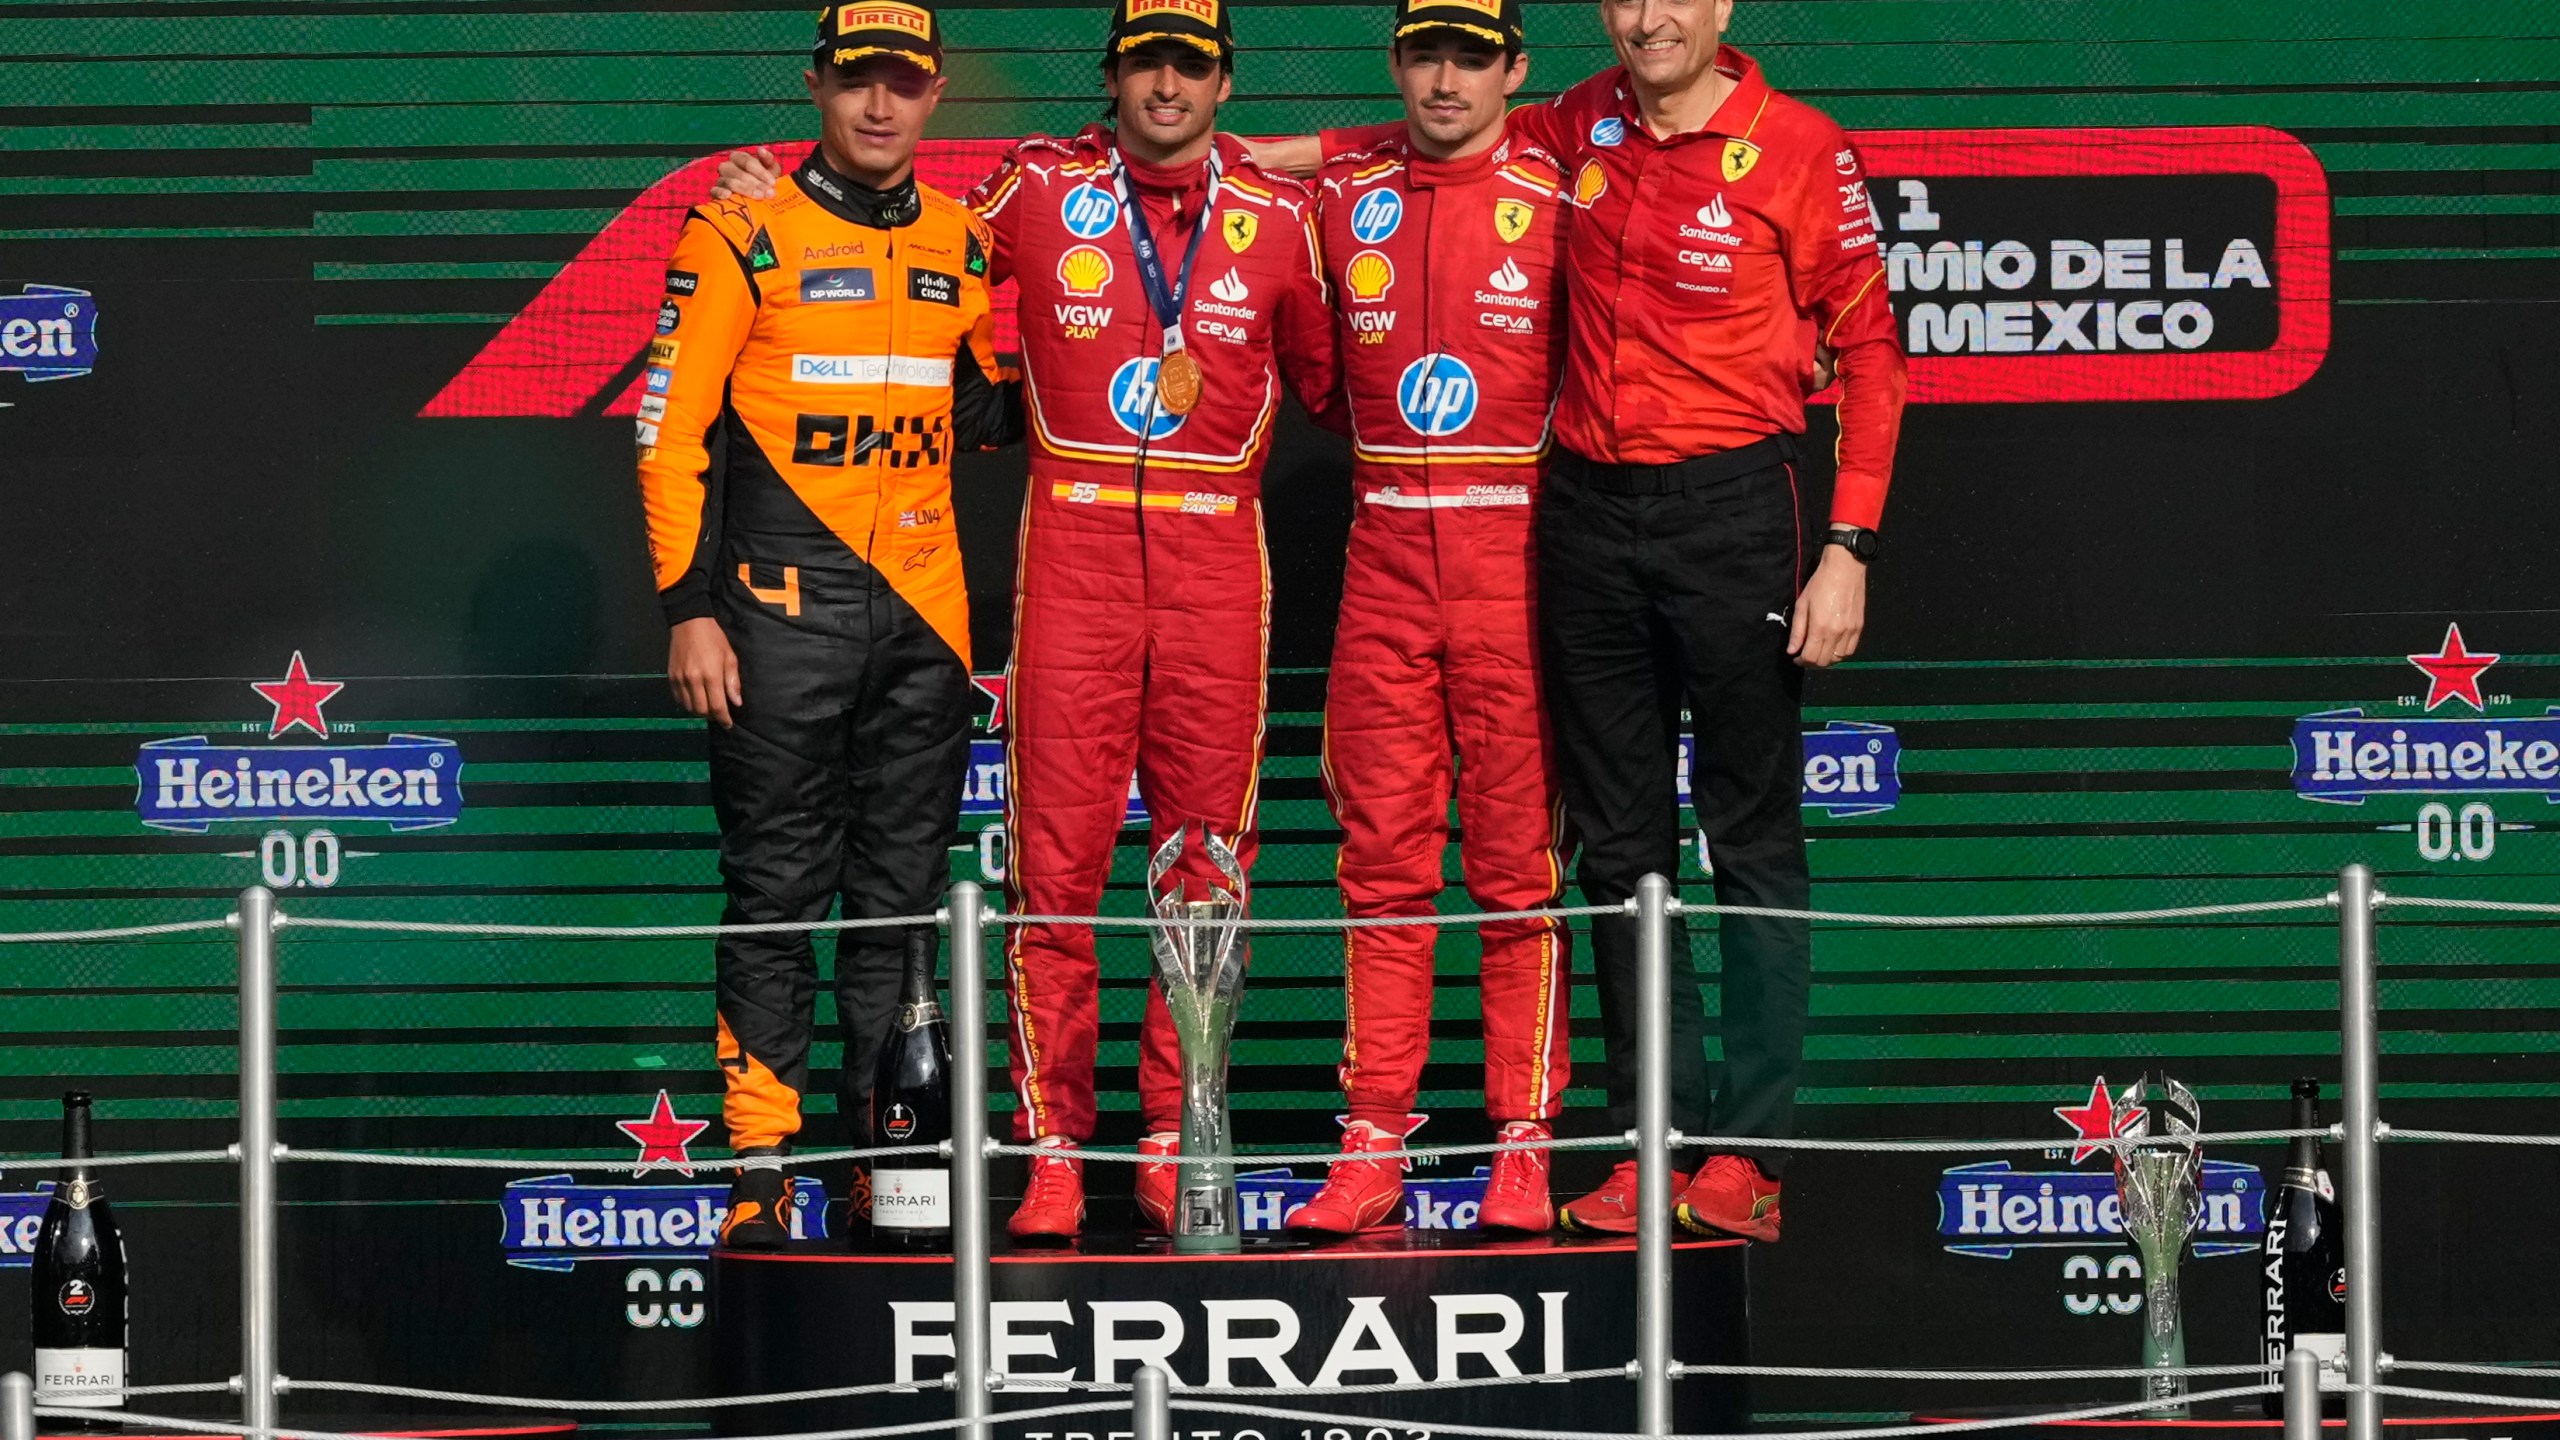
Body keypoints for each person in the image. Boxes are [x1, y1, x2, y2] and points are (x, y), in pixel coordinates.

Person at [1264, 0, 1908, 1241]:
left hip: (1735, 505)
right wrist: (1237, 156)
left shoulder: (1799, 145)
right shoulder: (1576, 121)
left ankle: (1751, 1159)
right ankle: (1650, 1143)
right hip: (1582, 513)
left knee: (1751, 840)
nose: (1648, 17)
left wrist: (1849, 544)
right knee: (1617, 848)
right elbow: (1409, 135)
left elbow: (1871, 350)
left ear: (1721, 6)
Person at [723, 0, 1338, 1242]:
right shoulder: (1035, 190)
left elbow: (1335, 380)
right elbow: (902, 237)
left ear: (1224, 83)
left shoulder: (1285, 220)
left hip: (1221, 562)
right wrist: (770, 189)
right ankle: (1053, 1148)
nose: (1167, 85)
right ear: (1111, 76)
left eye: (1191, 65)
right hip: (1073, 559)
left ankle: (1180, 1138)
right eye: (1147, 62)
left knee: (1205, 872)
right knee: (1052, 871)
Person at [639, 0, 1019, 1249]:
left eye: (903, 84)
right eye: (856, 81)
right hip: (774, 619)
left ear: (934, 94)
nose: (878, 105)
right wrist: (688, 609)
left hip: (927, 626)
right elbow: (668, 432)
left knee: (901, 899)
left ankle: (886, 1158)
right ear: (816, 85)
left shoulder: (967, 243)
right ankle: (760, 1163)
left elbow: (994, 409)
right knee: (774, 894)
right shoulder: (740, 227)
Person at [1277, 0, 1575, 1238]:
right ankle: (1371, 1145)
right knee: (1383, 866)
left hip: (1520, 547)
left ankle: (1526, 1144)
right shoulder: (1340, 194)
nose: (1444, 78)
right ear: (1396, 63)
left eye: (1469, 55)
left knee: (1518, 873)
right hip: (1386, 542)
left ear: (1514, 67)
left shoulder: (1568, 188)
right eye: (1422, 53)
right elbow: (1307, 371)